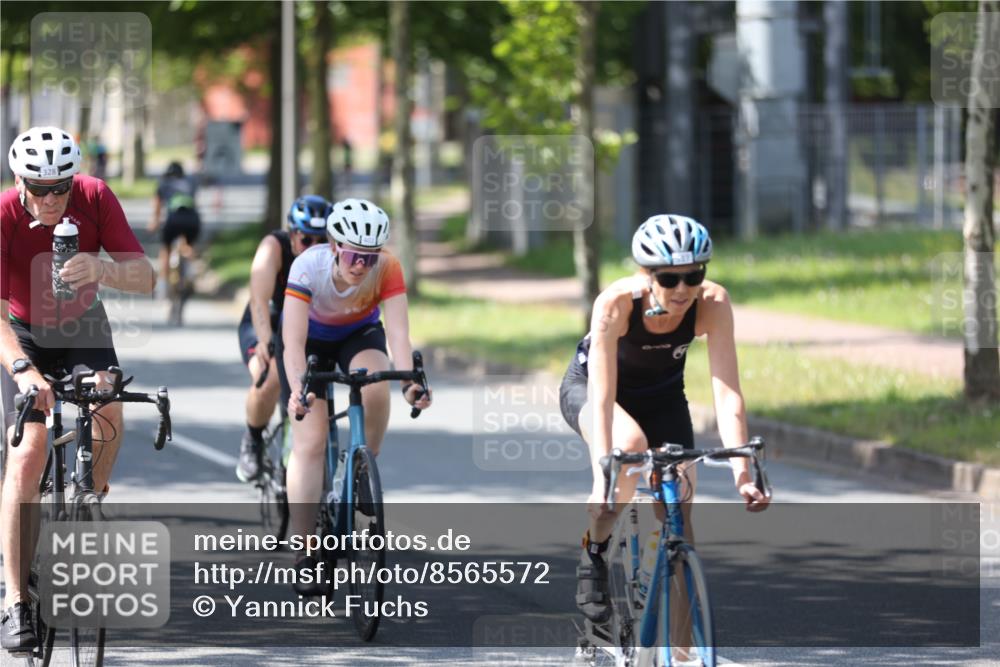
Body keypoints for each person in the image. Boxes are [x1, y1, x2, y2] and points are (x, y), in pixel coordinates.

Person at [559, 215, 769, 633]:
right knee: (628, 448)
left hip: (662, 397)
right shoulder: (616, 304)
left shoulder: (712, 303)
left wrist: (742, 474)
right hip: (595, 390)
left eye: (694, 275)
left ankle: (685, 650)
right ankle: (595, 550)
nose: (683, 289)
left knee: (679, 513)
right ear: (645, 274)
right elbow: (601, 398)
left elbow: (727, 392)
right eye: (670, 279)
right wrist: (603, 476)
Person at [0, 126, 155, 652]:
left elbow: (146, 275)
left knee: (109, 407)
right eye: (38, 188)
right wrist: (23, 370)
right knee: (27, 455)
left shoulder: (94, 196)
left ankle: (91, 496)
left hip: (83, 325)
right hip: (22, 335)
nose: (49, 199)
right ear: (19, 181)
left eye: (58, 188)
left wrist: (104, 269)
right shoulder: (2, 214)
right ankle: (16, 600)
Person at [282, 198, 432, 593]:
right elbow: (292, 343)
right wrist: (299, 389)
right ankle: (305, 550)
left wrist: (410, 384)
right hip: (311, 343)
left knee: (375, 381)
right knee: (311, 443)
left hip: (357, 335)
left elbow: (398, 333)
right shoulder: (306, 267)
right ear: (334, 246)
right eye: (354, 256)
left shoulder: (388, 267)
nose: (362, 266)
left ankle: (364, 466)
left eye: (370, 257)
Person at [236, 195, 332, 483]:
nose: (313, 248)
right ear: (291, 235)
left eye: (321, 240)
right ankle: (252, 440)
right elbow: (258, 300)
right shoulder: (273, 248)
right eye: (306, 240)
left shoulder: (334, 256)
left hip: (307, 323)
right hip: (268, 318)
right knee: (269, 376)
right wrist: (265, 341)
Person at [148, 161, 200, 299]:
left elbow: (157, 208)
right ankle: (191, 272)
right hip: (192, 219)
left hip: (173, 219)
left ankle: (163, 288)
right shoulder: (190, 183)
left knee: (166, 248)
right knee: (188, 246)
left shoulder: (163, 184)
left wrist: (154, 223)